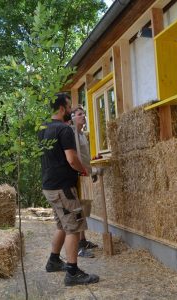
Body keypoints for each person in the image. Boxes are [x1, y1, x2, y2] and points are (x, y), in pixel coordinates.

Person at [38, 93, 99, 286]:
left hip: (49, 186)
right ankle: (73, 272)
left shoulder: (43, 129)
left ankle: (54, 261)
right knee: (74, 227)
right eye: (70, 107)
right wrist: (84, 172)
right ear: (63, 109)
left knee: (62, 226)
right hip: (63, 188)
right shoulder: (64, 131)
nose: (72, 111)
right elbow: (72, 159)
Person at [71, 105, 98, 258]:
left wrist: (91, 171)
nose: (83, 116)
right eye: (80, 114)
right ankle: (79, 247)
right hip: (79, 176)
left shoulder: (82, 134)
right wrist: (82, 173)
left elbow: (86, 157)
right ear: (73, 117)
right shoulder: (73, 134)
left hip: (86, 175)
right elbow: (75, 157)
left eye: (84, 114)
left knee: (86, 208)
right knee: (80, 210)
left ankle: (83, 240)